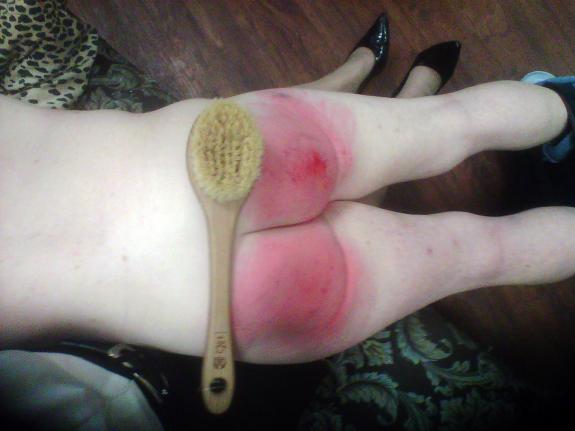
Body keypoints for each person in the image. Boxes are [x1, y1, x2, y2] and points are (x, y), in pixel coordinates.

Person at [1, 5, 573, 430]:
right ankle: (561, 104)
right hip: (212, 151)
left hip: (216, 302)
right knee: (454, 122)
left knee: (487, 255)